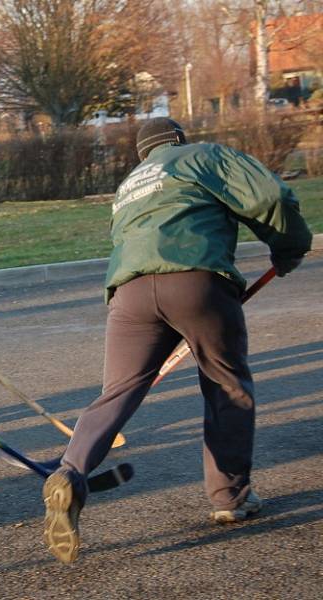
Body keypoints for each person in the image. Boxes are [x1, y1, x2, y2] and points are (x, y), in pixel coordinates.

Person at [42, 117, 313, 565]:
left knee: (118, 394)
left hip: (129, 295)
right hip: (195, 281)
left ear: (142, 153)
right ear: (179, 141)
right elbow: (269, 196)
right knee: (226, 384)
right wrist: (288, 247)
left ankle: (70, 473)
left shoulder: (129, 185)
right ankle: (230, 496)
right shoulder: (200, 156)